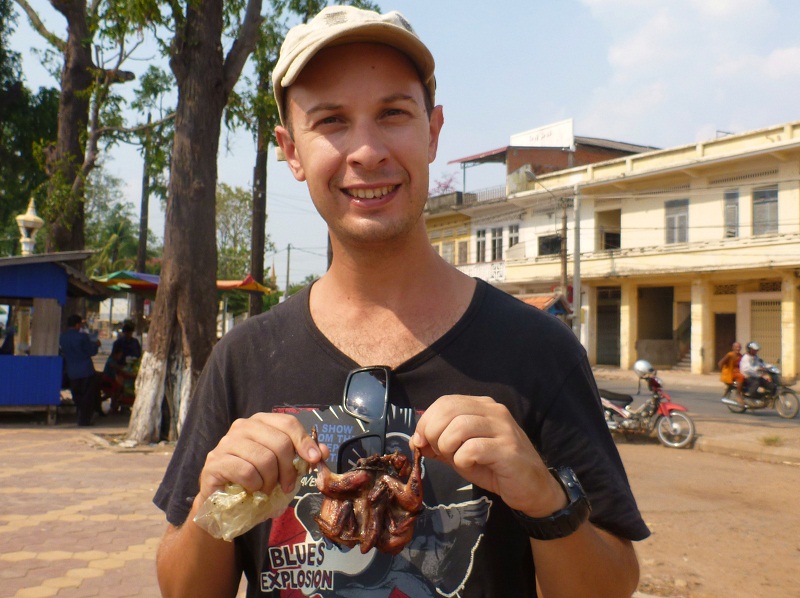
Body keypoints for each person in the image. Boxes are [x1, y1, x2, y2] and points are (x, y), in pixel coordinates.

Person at [154, 6, 649, 597]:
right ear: (291, 151)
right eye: (331, 121)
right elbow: (183, 590)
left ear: (433, 131)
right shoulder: (243, 359)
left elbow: (611, 583)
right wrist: (211, 500)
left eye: (392, 113)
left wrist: (545, 498)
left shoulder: (540, 351)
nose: (367, 151)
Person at [59, 314, 101, 426]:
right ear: (77, 325)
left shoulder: (63, 337)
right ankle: (85, 419)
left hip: (72, 371)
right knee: (87, 396)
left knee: (77, 395)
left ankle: (80, 414)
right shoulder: (82, 337)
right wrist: (96, 345)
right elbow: (91, 351)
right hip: (85, 370)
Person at [718, 341, 745, 405]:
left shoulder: (740, 356)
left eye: (739, 347)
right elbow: (720, 363)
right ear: (733, 348)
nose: (738, 349)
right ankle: (738, 395)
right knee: (741, 377)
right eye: (736, 347)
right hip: (731, 372)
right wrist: (724, 372)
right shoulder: (730, 355)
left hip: (737, 371)